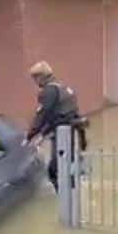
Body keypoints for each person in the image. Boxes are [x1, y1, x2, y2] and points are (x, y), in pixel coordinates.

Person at [24, 61, 87, 191]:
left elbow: (43, 115)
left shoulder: (49, 91)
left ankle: (65, 203)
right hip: (72, 133)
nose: (35, 82)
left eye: (35, 78)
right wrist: (42, 134)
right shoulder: (63, 87)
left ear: (41, 77)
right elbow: (60, 115)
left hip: (62, 135)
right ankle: (74, 194)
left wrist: (29, 135)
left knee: (53, 171)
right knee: (68, 165)